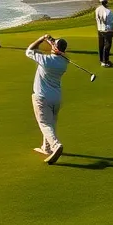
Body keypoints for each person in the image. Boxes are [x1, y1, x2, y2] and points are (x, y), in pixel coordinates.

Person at [25, 33, 69, 164]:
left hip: (42, 97)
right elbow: (62, 55)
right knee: (51, 123)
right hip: (56, 97)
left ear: (55, 48)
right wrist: (53, 44)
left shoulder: (46, 60)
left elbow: (29, 51)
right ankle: (47, 148)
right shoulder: (64, 63)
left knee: (44, 124)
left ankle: (55, 145)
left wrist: (41, 39)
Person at [94, 0, 113, 67]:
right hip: (107, 30)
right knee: (107, 46)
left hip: (100, 30)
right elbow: (111, 22)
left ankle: (102, 60)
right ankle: (105, 61)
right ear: (106, 2)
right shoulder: (109, 11)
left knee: (101, 45)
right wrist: (112, 32)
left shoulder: (97, 9)